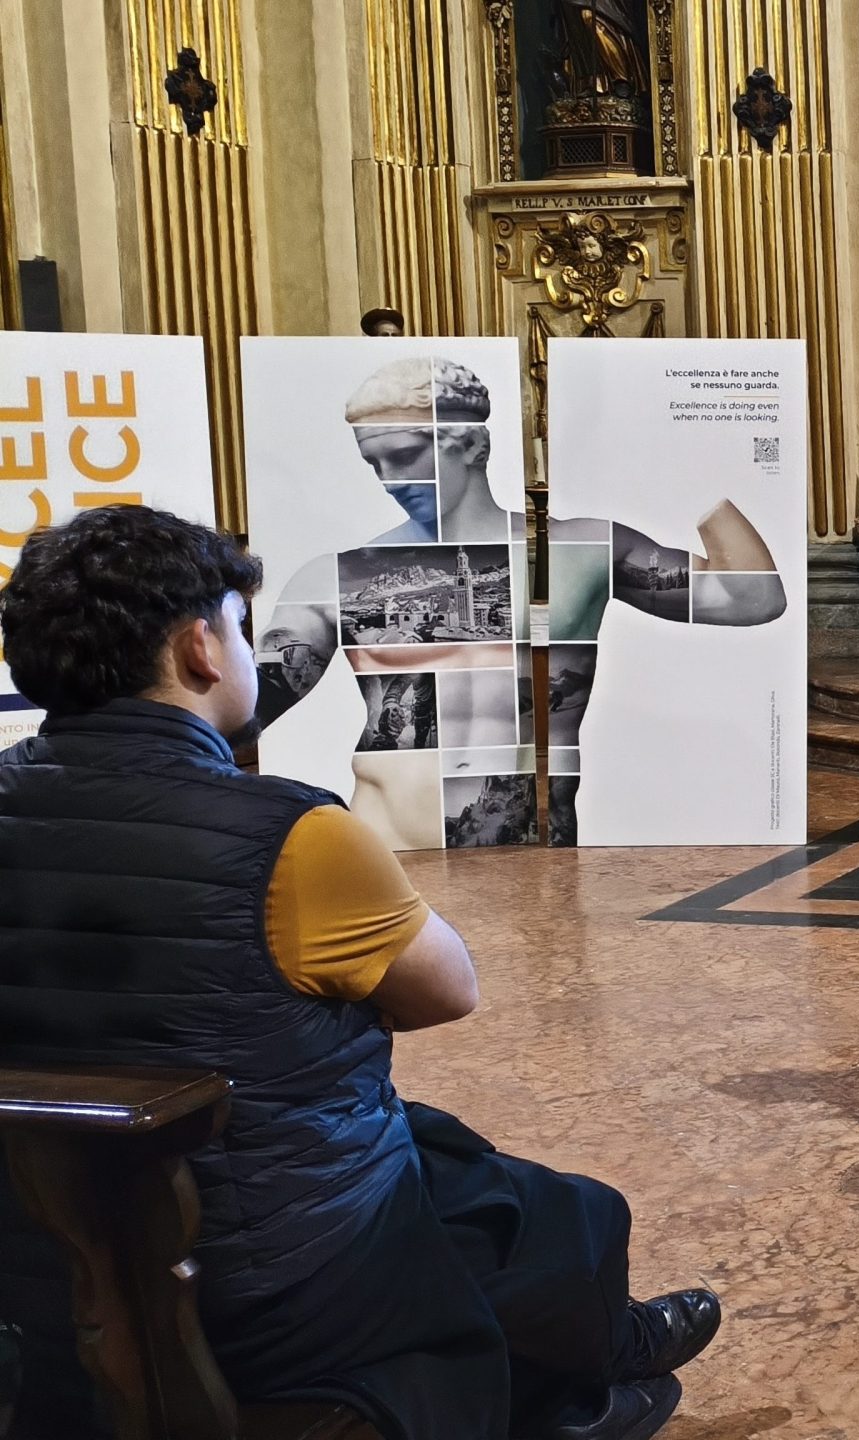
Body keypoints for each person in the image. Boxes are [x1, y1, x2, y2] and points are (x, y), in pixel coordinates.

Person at [0, 506, 719, 1439]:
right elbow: (446, 990)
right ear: (200, 649)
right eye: (238, 625)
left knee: (455, 1172)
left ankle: (596, 1368)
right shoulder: (291, 836)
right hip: (262, 1283)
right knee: (549, 1214)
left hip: (32, 1264)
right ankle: (582, 1393)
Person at [250, 355, 788, 848]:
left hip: (533, 844)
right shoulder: (334, 575)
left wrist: (695, 479)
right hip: (385, 842)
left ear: (471, 445)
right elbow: (237, 716)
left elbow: (753, 597)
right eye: (375, 464)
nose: (392, 481)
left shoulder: (582, 549)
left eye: (407, 456)